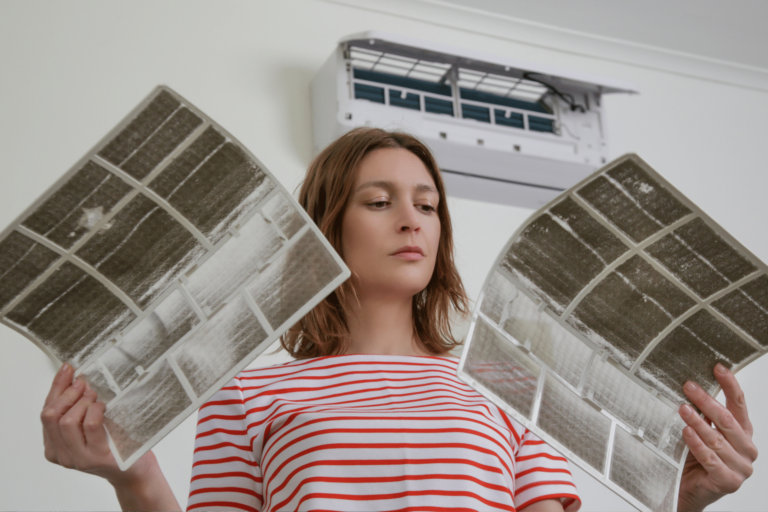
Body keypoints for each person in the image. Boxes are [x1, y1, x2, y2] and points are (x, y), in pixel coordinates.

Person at [40, 128, 757, 511]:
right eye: (379, 202)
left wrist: (682, 506)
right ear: (326, 227)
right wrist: (132, 478)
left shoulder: (511, 379)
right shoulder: (244, 393)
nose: (412, 220)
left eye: (427, 204)